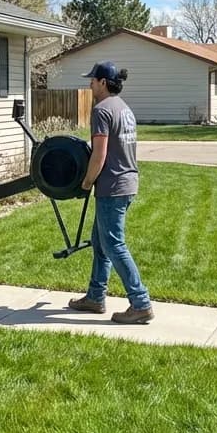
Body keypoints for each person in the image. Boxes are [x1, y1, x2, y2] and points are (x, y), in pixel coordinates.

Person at [67, 61, 154, 324]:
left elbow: (99, 154)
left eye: (93, 80)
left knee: (114, 244)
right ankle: (95, 297)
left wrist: (86, 182)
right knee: (100, 241)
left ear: (103, 82)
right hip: (128, 182)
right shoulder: (124, 108)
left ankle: (140, 303)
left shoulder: (102, 110)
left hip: (112, 186)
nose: (89, 84)